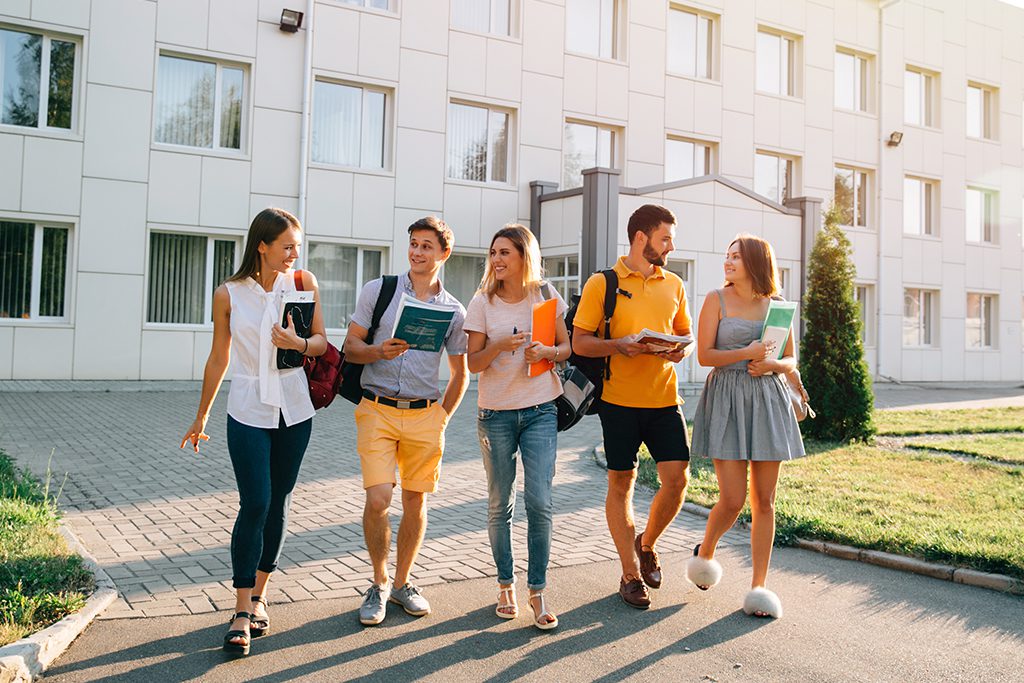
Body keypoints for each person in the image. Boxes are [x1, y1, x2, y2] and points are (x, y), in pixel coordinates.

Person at [181, 208, 327, 656]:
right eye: (287, 246)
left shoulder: (304, 284)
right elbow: (218, 356)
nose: (294, 254)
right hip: (246, 407)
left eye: (297, 247)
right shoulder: (228, 294)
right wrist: (201, 414)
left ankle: (261, 595)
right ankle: (241, 608)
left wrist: (297, 345)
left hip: (295, 408)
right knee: (256, 502)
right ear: (262, 245)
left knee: (279, 502)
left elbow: (321, 341)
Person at [343, 216, 469, 626]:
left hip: (424, 415)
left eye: (426, 246)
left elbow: (461, 373)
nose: (417, 252)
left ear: (443, 253)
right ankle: (378, 584)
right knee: (378, 498)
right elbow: (349, 348)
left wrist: (442, 418)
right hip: (376, 408)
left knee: (416, 501)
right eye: (413, 244)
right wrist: (379, 352)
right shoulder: (378, 291)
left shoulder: (453, 310)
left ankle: (402, 583)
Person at [572, 203, 694, 610]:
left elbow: (684, 332)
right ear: (641, 237)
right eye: (665, 238)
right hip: (618, 402)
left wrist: (679, 350)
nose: (671, 246)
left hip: (664, 399)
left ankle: (647, 544)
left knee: (677, 481)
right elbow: (580, 342)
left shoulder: (674, 284)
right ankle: (628, 574)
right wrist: (617, 346)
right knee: (621, 484)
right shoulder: (601, 283)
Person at [686, 234, 806, 619]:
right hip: (727, 398)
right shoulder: (715, 299)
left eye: (736, 257)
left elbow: (791, 358)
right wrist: (748, 353)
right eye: (727, 256)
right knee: (733, 499)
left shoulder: (777, 307)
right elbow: (705, 356)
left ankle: (759, 586)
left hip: (767, 400)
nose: (728, 262)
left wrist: (771, 365)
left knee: (765, 501)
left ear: (755, 262)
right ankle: (705, 553)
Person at [464, 224, 571, 630]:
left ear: (524, 256)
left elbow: (567, 348)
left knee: (540, 501)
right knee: (499, 504)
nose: (496, 260)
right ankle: (505, 583)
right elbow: (472, 363)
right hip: (496, 413)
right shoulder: (482, 302)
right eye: (493, 253)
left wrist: (547, 351)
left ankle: (538, 589)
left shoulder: (545, 295)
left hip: (540, 409)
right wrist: (499, 347)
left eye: (504, 252)